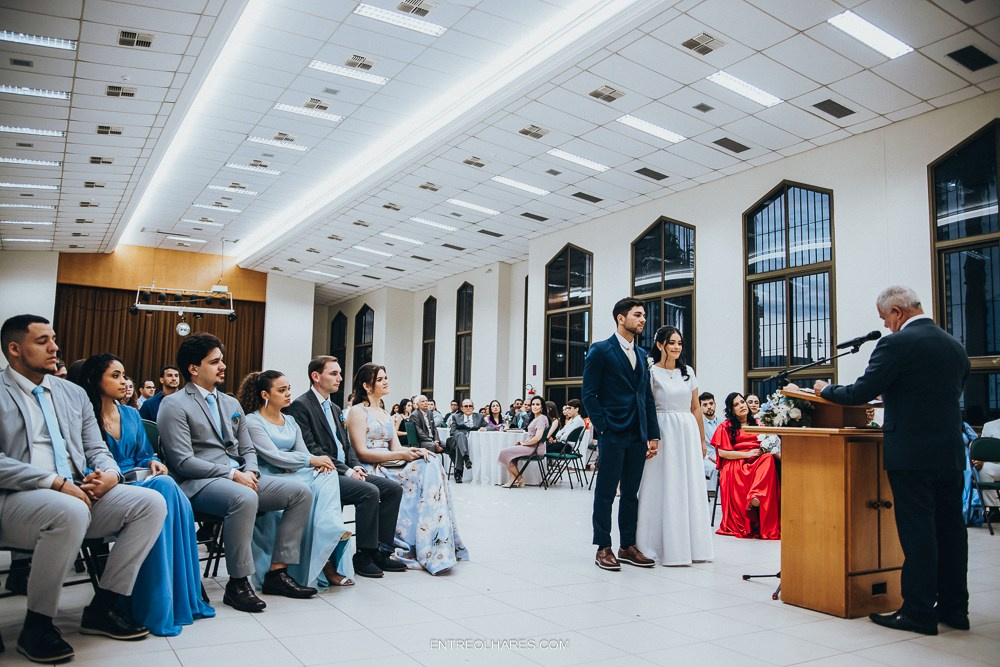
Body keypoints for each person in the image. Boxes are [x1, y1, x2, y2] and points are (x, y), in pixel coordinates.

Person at [799, 285, 971, 636]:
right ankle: (955, 609)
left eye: (884, 318)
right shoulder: (955, 346)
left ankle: (918, 611)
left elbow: (861, 392)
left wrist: (824, 390)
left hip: (911, 453)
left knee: (918, 531)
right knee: (951, 531)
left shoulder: (896, 344)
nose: (885, 325)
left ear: (897, 311)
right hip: (950, 452)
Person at [0, 315, 166, 663]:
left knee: (151, 502)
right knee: (70, 509)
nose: (55, 347)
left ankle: (104, 605)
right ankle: (38, 625)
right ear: (14, 349)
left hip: (78, 492)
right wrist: (55, 482)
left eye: (54, 339)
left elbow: (95, 447)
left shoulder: (72, 393)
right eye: (42, 341)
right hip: (15, 498)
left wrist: (110, 475)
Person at [157, 332, 316, 613]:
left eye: (222, 360)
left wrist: (251, 471)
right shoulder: (174, 404)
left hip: (241, 479)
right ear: (193, 368)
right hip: (198, 483)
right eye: (214, 362)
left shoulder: (231, 404)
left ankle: (277, 572)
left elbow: (248, 449)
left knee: (301, 493)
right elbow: (182, 462)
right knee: (243, 497)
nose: (223, 366)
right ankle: (238, 583)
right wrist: (232, 475)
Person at [76, 353, 215, 636]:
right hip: (104, 486)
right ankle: (151, 601)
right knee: (166, 488)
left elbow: (143, 453)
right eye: (115, 376)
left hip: (136, 478)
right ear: (94, 380)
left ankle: (172, 594)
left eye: (124, 375)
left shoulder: (130, 414)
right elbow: (84, 461)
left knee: (166, 483)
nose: (123, 382)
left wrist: (152, 461)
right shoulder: (83, 417)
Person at [286, 356, 405, 579]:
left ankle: (382, 550)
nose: (340, 378)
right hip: (322, 472)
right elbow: (312, 448)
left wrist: (356, 466)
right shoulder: (301, 406)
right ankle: (364, 555)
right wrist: (347, 470)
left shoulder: (334, 408)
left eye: (339, 373)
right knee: (369, 491)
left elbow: (346, 445)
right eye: (334, 373)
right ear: (316, 376)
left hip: (344, 469)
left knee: (393, 489)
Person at [346, 363, 468, 574]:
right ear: (366, 386)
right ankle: (411, 542)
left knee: (430, 462)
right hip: (370, 466)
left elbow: (396, 447)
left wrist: (414, 451)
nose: (386, 382)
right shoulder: (357, 412)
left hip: (390, 462)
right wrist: (401, 455)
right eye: (380, 379)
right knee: (422, 470)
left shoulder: (383, 412)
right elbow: (361, 452)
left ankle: (433, 540)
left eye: (386, 377)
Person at [238, 371, 354, 589]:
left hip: (292, 472)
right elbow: (273, 456)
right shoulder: (253, 421)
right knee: (316, 476)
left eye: (289, 389)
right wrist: (309, 461)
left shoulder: (290, 421)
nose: (288, 394)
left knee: (327, 473)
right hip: (269, 475)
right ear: (265, 394)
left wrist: (310, 462)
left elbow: (302, 453)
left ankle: (330, 528)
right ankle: (329, 542)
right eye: (282, 390)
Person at [582, 298, 660, 571]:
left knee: (630, 493)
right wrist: (603, 426)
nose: (643, 320)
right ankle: (603, 547)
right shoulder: (600, 350)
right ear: (620, 318)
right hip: (612, 431)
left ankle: (627, 546)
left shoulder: (642, 354)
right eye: (637, 315)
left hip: (638, 433)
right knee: (605, 492)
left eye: (643, 316)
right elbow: (588, 394)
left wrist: (652, 433)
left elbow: (646, 397)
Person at [636, 326, 714, 566]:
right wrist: (649, 435)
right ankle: (654, 545)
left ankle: (693, 546)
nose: (677, 347)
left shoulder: (688, 372)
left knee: (688, 484)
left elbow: (695, 407)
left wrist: (701, 439)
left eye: (679, 343)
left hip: (687, 430)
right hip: (662, 429)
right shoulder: (651, 372)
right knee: (660, 484)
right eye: (672, 342)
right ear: (660, 345)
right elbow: (646, 405)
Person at [711, 392, 780, 540]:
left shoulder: (759, 423)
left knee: (768, 458)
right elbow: (722, 452)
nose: (741, 406)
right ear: (731, 410)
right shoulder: (726, 427)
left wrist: (763, 451)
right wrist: (747, 454)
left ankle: (756, 496)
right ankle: (753, 500)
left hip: (757, 459)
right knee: (733, 470)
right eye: (736, 405)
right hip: (737, 460)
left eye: (742, 402)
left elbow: (770, 443)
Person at [498, 395, 550, 487]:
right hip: (531, 446)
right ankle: (513, 479)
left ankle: (519, 479)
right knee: (510, 456)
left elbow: (537, 437)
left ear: (542, 407)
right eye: (533, 404)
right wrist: (523, 443)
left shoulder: (542, 419)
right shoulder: (536, 418)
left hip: (535, 448)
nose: (534, 406)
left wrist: (525, 443)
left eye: (537, 404)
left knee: (504, 452)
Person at [444, 398, 485, 483]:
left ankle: (458, 472)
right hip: (454, 440)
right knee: (460, 436)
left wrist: (485, 428)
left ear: (473, 408)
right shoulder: (456, 417)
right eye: (466, 406)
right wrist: (461, 436)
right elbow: (452, 431)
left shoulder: (479, 417)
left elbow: (490, 426)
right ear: (462, 408)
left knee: (460, 445)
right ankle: (466, 458)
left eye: (470, 406)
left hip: (471, 441)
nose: (468, 408)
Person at [979, 417, 1000, 519]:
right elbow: (982, 449)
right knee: (984, 469)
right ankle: (993, 509)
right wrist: (980, 461)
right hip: (994, 464)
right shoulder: (989, 426)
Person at [700, 392, 721, 490]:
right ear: (700, 408)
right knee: (715, 469)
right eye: (705, 405)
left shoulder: (724, 422)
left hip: (723, 456)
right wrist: (709, 457)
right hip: (705, 458)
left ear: (715, 404)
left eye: (711, 403)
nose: (709, 407)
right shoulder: (697, 424)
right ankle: (715, 497)